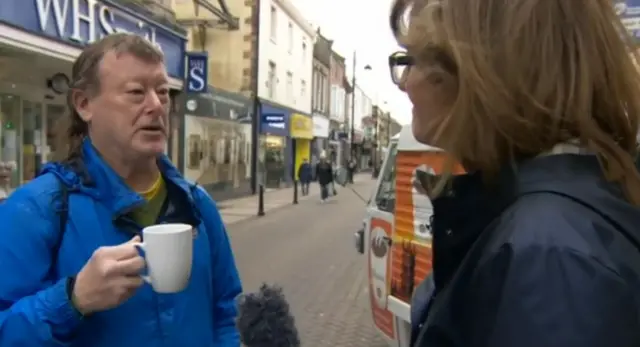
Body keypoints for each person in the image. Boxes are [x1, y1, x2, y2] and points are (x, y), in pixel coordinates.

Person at [389, 0, 640, 346]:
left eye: (415, 60)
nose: (406, 84)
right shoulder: (548, 225)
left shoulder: (547, 257)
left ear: (487, 71)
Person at [0, 33, 242, 346]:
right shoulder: (36, 210)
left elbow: (225, 315)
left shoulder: (197, 206)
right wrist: (73, 299)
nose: (155, 106)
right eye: (136, 92)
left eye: (163, 91)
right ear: (84, 104)